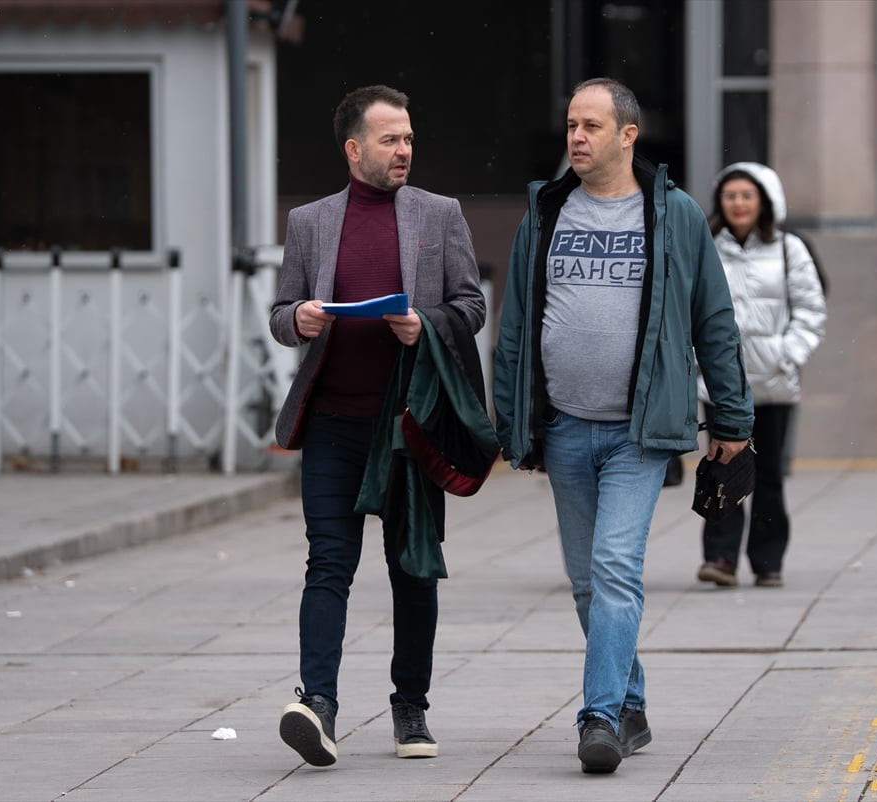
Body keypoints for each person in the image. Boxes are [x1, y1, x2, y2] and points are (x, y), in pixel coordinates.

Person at [492, 77, 754, 774]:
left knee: (613, 568)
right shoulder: (545, 214)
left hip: (639, 433)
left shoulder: (676, 217)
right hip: (567, 430)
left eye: (591, 126)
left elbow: (714, 324)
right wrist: (510, 420)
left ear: (628, 136)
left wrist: (732, 417)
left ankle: (599, 717)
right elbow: (514, 325)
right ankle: (631, 700)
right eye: (571, 126)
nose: (576, 138)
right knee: (585, 582)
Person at [268, 85, 485, 767]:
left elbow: (472, 304)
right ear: (354, 148)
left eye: (410, 139)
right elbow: (279, 312)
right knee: (328, 562)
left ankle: (410, 705)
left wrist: (426, 325)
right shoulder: (310, 222)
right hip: (334, 423)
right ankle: (319, 706)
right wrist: (297, 319)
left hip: (407, 427)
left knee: (411, 569)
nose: (405, 151)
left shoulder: (439, 214)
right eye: (391, 140)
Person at [696, 162, 826, 589]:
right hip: (721, 385)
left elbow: (811, 311)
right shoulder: (706, 247)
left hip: (774, 383)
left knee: (768, 474)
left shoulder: (790, 249)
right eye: (730, 195)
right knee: (721, 469)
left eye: (747, 195)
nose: (738, 203)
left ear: (765, 202)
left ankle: (768, 561)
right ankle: (720, 557)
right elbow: (689, 311)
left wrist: (787, 355)